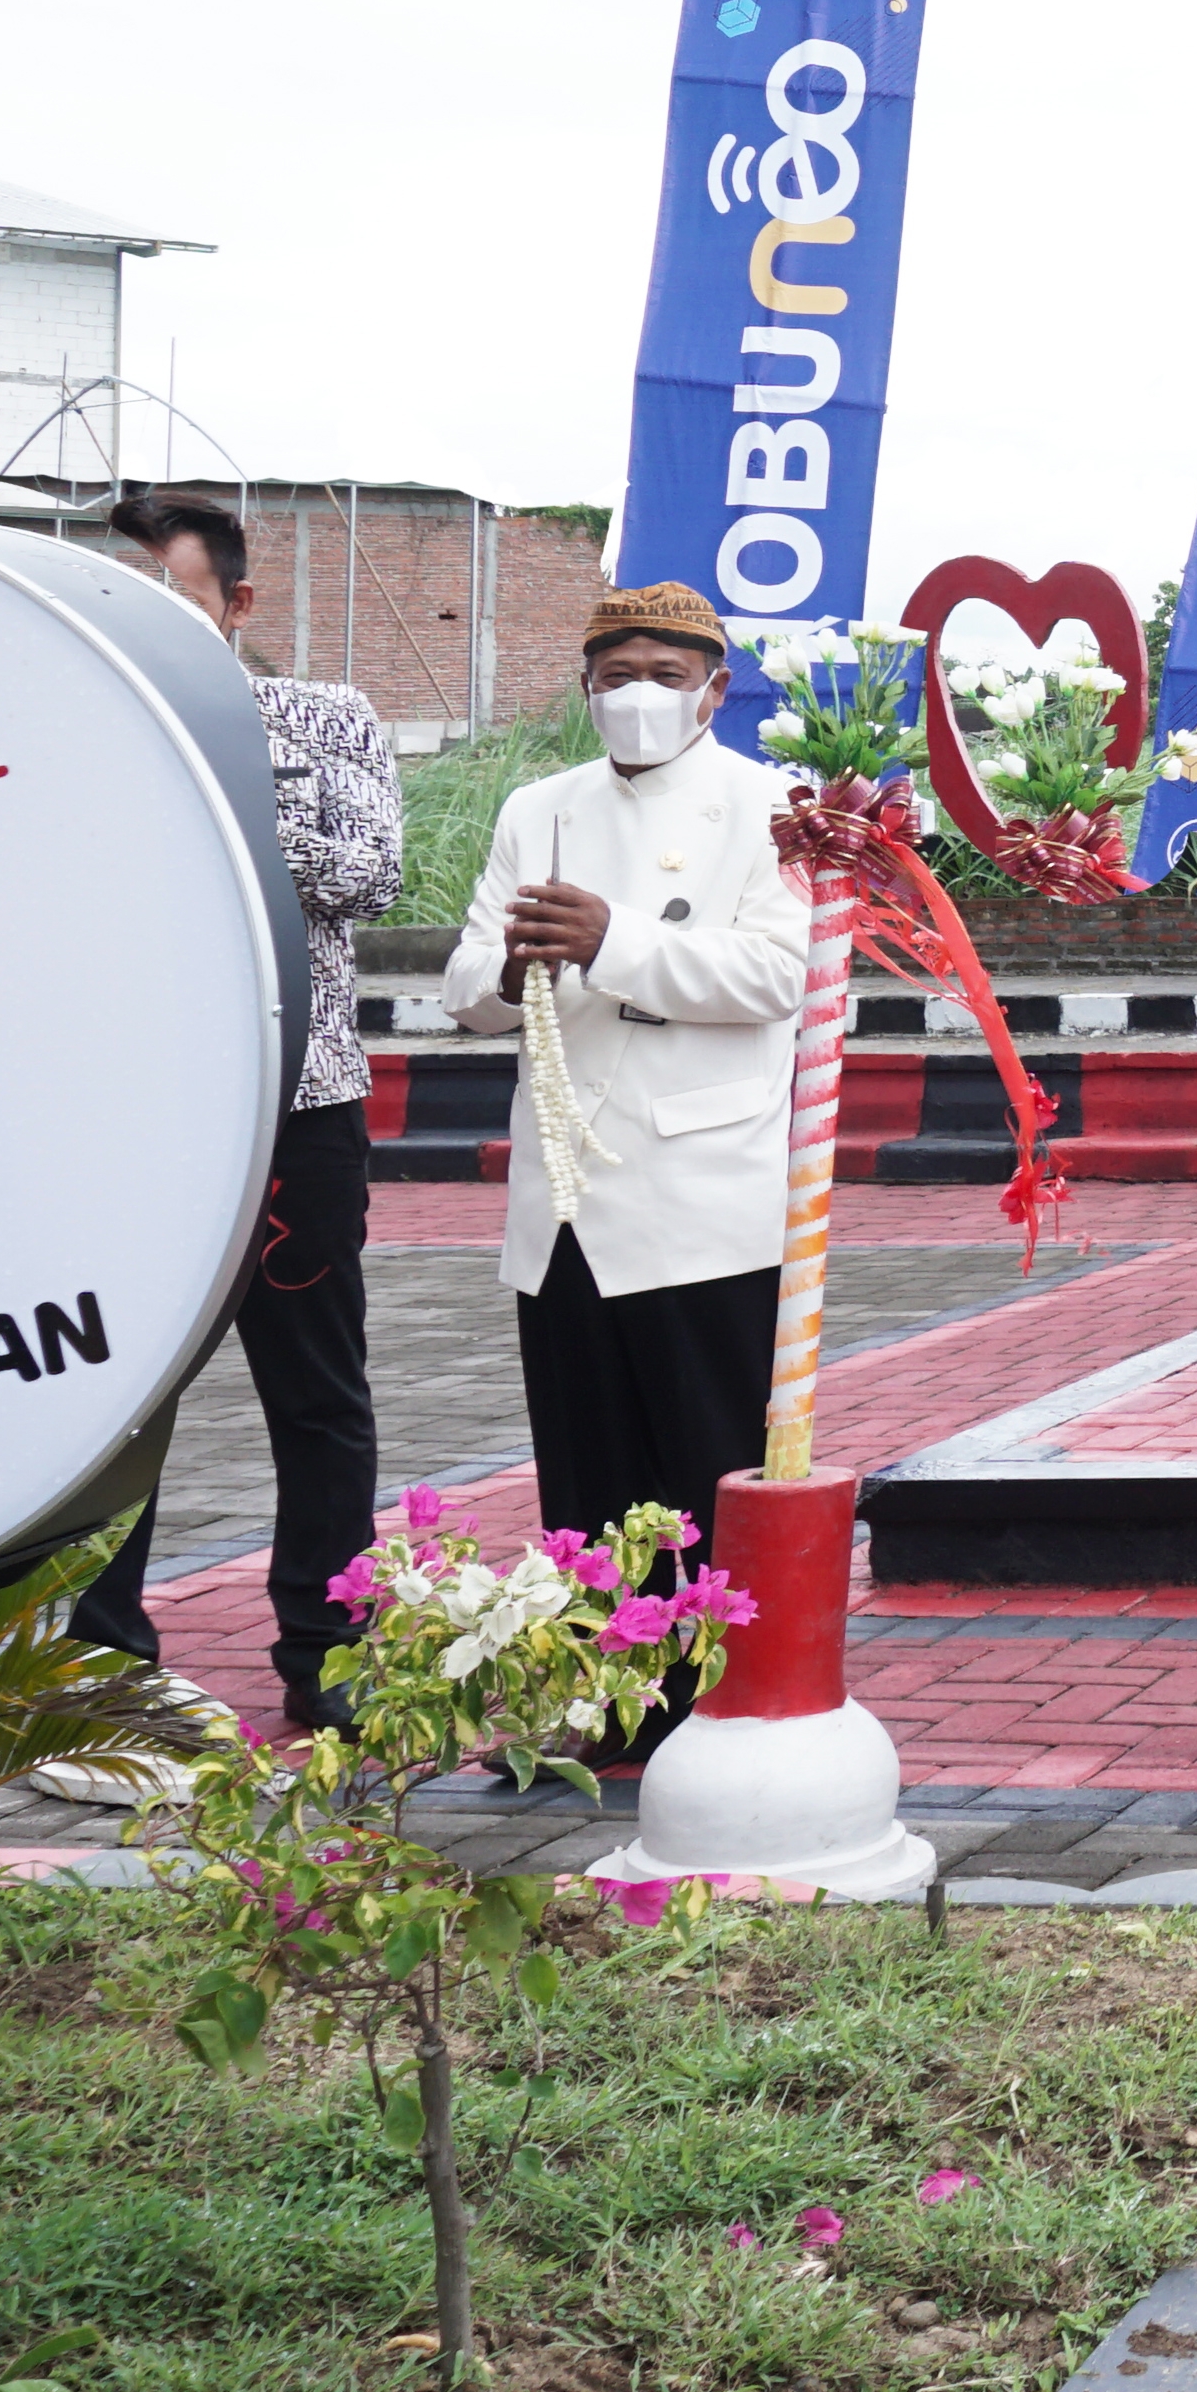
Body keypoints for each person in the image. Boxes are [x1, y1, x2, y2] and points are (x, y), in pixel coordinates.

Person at [435, 581, 816, 1760]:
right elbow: (462, 996)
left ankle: (719, 1706)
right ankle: (605, 1704)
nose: (636, 697)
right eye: (614, 675)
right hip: (566, 1195)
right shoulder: (537, 807)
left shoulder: (777, 807)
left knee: (705, 1465)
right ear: (585, 686)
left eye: (662, 673)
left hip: (703, 1190)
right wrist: (508, 967)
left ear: (716, 687)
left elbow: (777, 976)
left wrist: (617, 940)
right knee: (586, 1475)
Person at [51, 492, 402, 1760]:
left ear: (239, 605)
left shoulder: (323, 717)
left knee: (317, 1391)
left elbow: (366, 873)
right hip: (133, 1113)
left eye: (175, 602)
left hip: (299, 1105)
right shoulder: (69, 722)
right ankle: (98, 1657)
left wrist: (216, 764)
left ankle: (330, 1650)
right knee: (115, 1388)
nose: (144, 630)